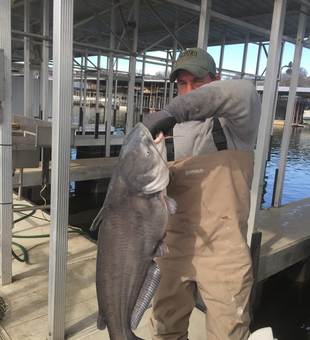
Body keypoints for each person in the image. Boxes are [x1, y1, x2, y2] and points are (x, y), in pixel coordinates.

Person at [143, 47, 261, 340]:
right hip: (171, 249)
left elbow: (244, 91)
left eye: (197, 81)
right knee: (164, 329)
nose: (188, 90)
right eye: (182, 84)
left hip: (225, 251)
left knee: (229, 333)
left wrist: (173, 111)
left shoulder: (236, 126)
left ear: (216, 80)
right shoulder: (163, 135)